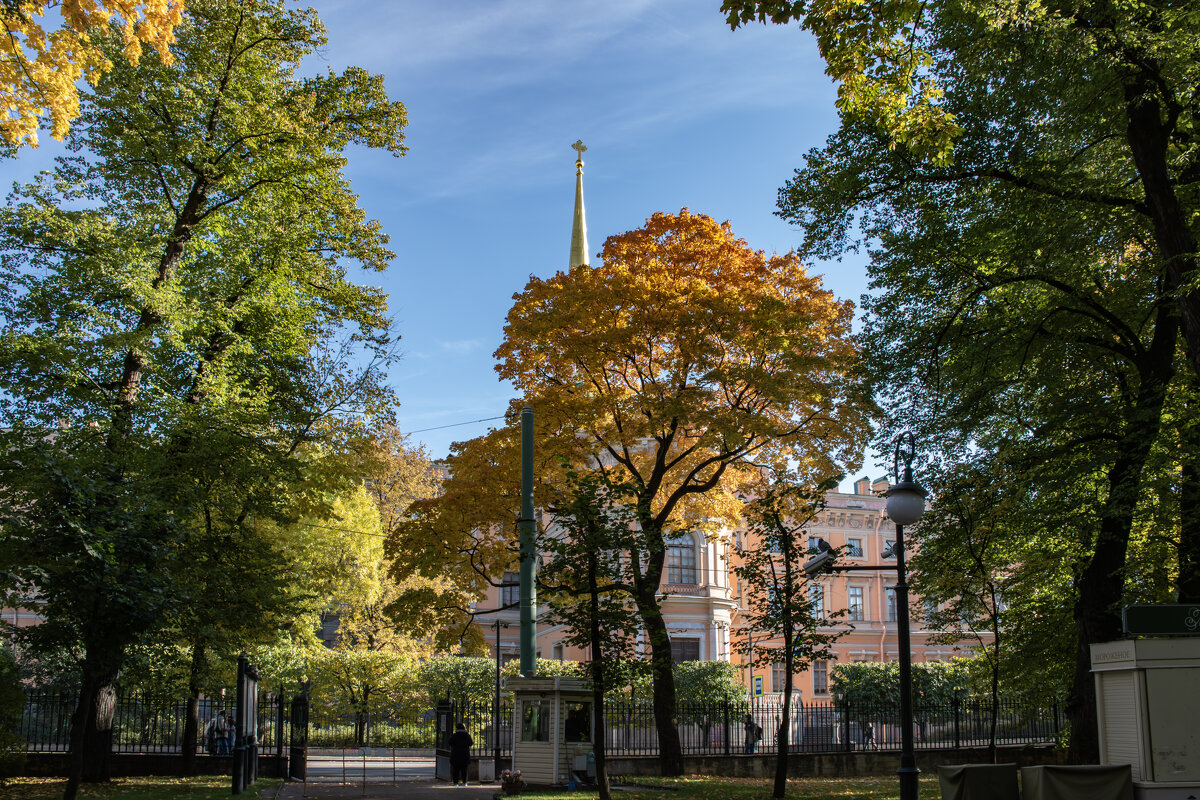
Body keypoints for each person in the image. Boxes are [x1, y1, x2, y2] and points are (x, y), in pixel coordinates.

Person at [448, 721, 473, 786]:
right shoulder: (467, 735)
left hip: (455, 754)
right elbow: (471, 743)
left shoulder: (455, 735)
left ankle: (455, 782)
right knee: (464, 770)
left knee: (456, 770)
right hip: (465, 754)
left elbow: (450, 742)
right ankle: (464, 782)